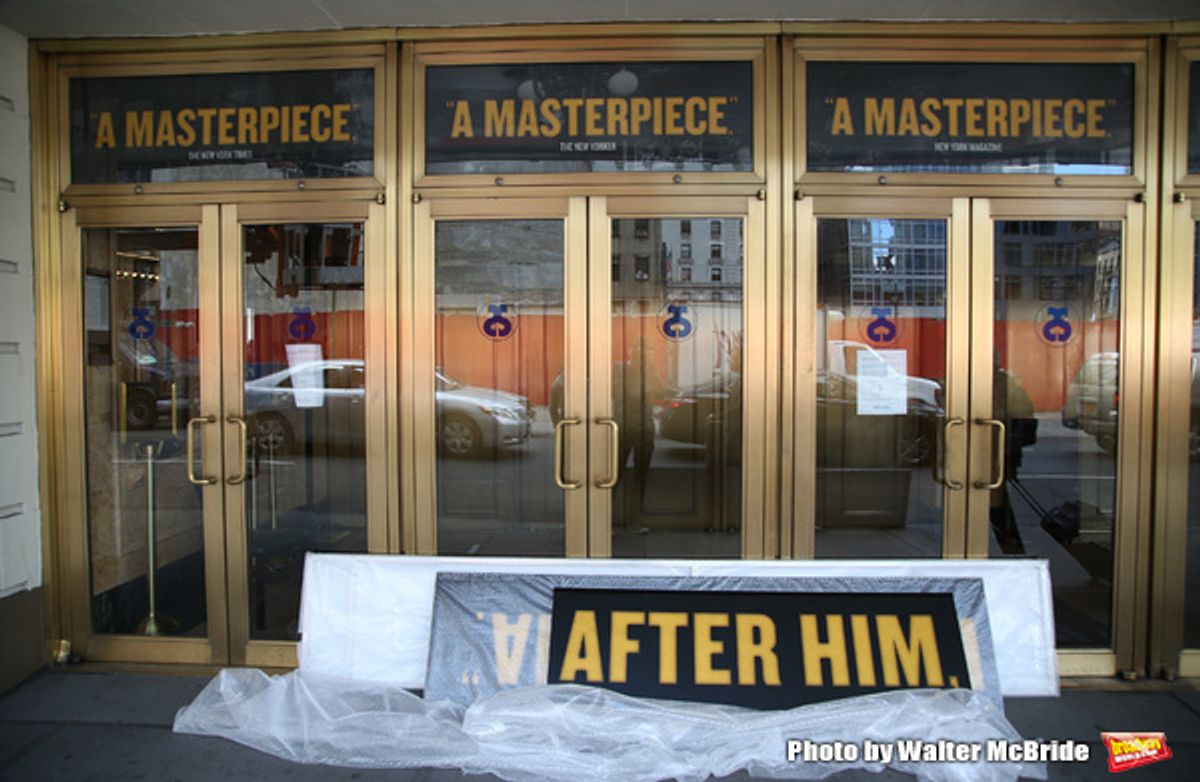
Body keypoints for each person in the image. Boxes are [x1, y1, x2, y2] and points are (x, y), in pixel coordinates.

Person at [614, 336, 669, 525]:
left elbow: (658, 392)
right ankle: (632, 517)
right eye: (640, 351)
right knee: (636, 474)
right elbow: (660, 392)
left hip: (629, 425)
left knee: (619, 472)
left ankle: (616, 515)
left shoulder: (621, 369)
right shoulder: (628, 370)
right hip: (636, 426)